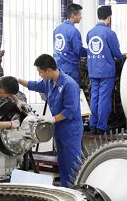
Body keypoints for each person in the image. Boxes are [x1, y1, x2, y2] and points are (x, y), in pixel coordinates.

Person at [18, 54, 82, 187]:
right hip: (59, 128)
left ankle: (76, 190)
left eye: (40, 72)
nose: (39, 75)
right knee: (62, 163)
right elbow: (34, 85)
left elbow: (70, 110)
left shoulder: (69, 84)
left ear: (48, 70)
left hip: (71, 130)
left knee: (73, 164)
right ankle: (65, 189)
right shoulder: (48, 82)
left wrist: (53, 119)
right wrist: (17, 80)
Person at [86, 5, 124, 134]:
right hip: (106, 71)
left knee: (94, 97)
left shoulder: (90, 32)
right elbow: (116, 53)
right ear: (109, 17)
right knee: (104, 98)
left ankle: (93, 124)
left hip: (93, 70)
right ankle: (101, 126)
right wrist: (122, 58)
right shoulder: (110, 33)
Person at [53, 3, 85, 84]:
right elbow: (78, 50)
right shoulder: (73, 31)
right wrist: (90, 52)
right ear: (73, 15)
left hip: (58, 67)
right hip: (71, 68)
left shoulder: (57, 29)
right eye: (79, 14)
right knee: (72, 90)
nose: (81, 17)